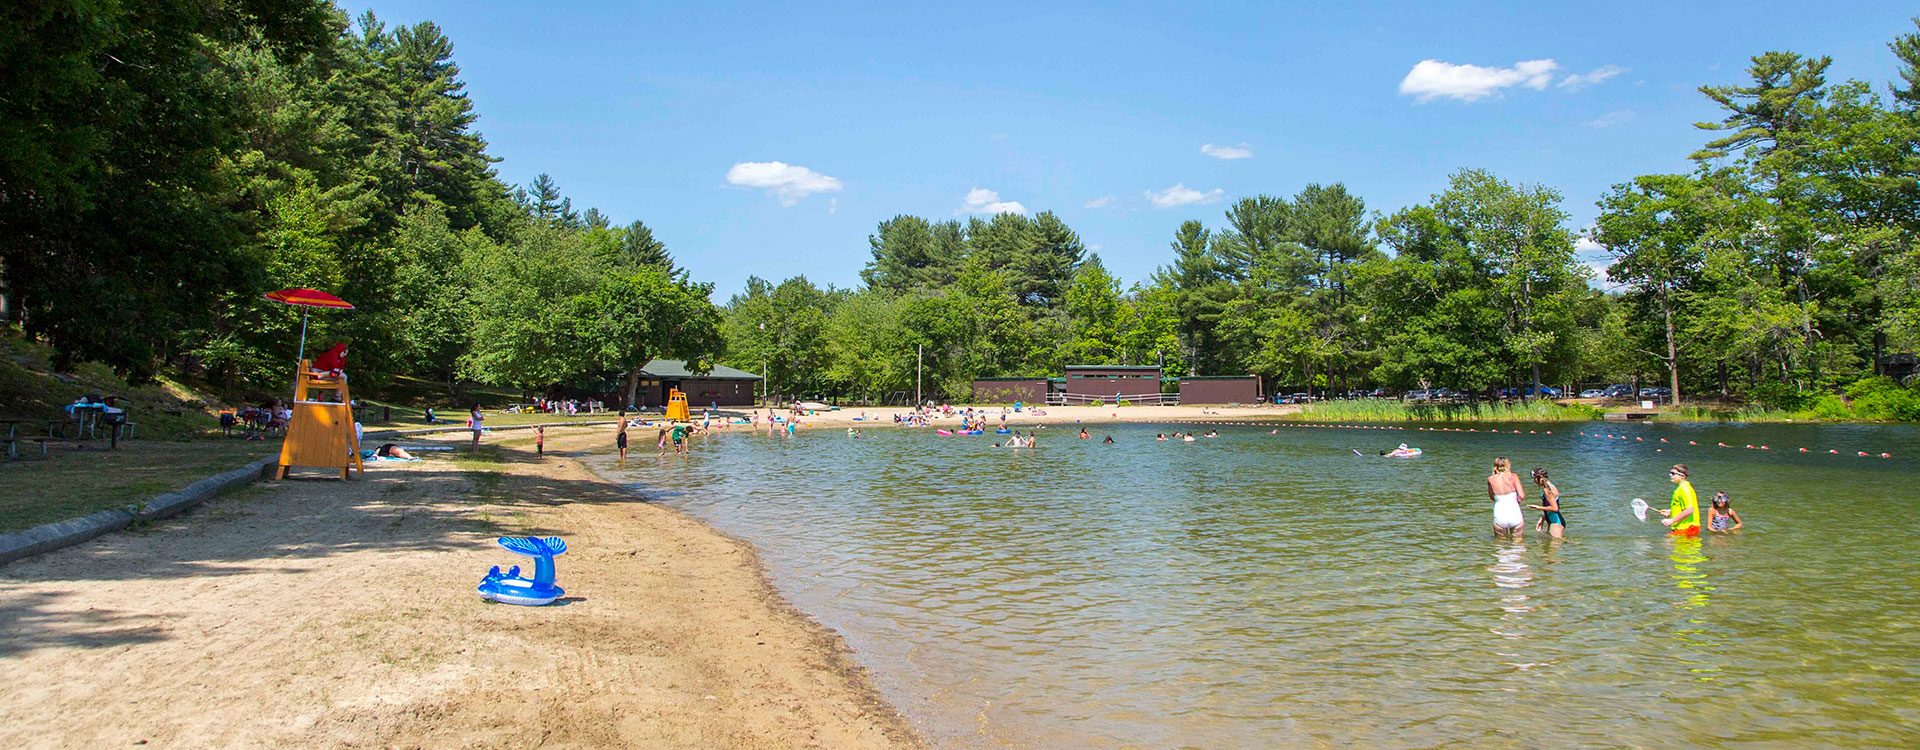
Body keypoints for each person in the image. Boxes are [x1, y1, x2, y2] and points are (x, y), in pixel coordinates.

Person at [1655, 464, 1700, 536]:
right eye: (1670, 473)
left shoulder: (1685, 489)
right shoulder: (1680, 489)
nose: (1670, 475)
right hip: (1682, 527)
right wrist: (1671, 512)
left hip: (1688, 528)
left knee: (1667, 541)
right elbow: (1683, 507)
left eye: (1673, 473)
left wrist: (1672, 520)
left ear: (1682, 476)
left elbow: (1690, 510)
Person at [1487, 457, 1526, 539]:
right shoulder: (1513, 476)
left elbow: (1492, 497)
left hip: (1500, 514)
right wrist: (1517, 502)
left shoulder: (1490, 479)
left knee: (1500, 546)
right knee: (1517, 545)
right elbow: (1522, 496)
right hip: (1514, 512)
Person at [1529, 467, 1566, 538]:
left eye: (1535, 478)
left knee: (1554, 545)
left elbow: (1555, 508)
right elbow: (1551, 506)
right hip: (1553, 521)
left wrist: (1537, 507)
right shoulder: (1551, 487)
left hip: (1556, 522)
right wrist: (1543, 518)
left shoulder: (1547, 490)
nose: (1534, 481)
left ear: (1541, 477)